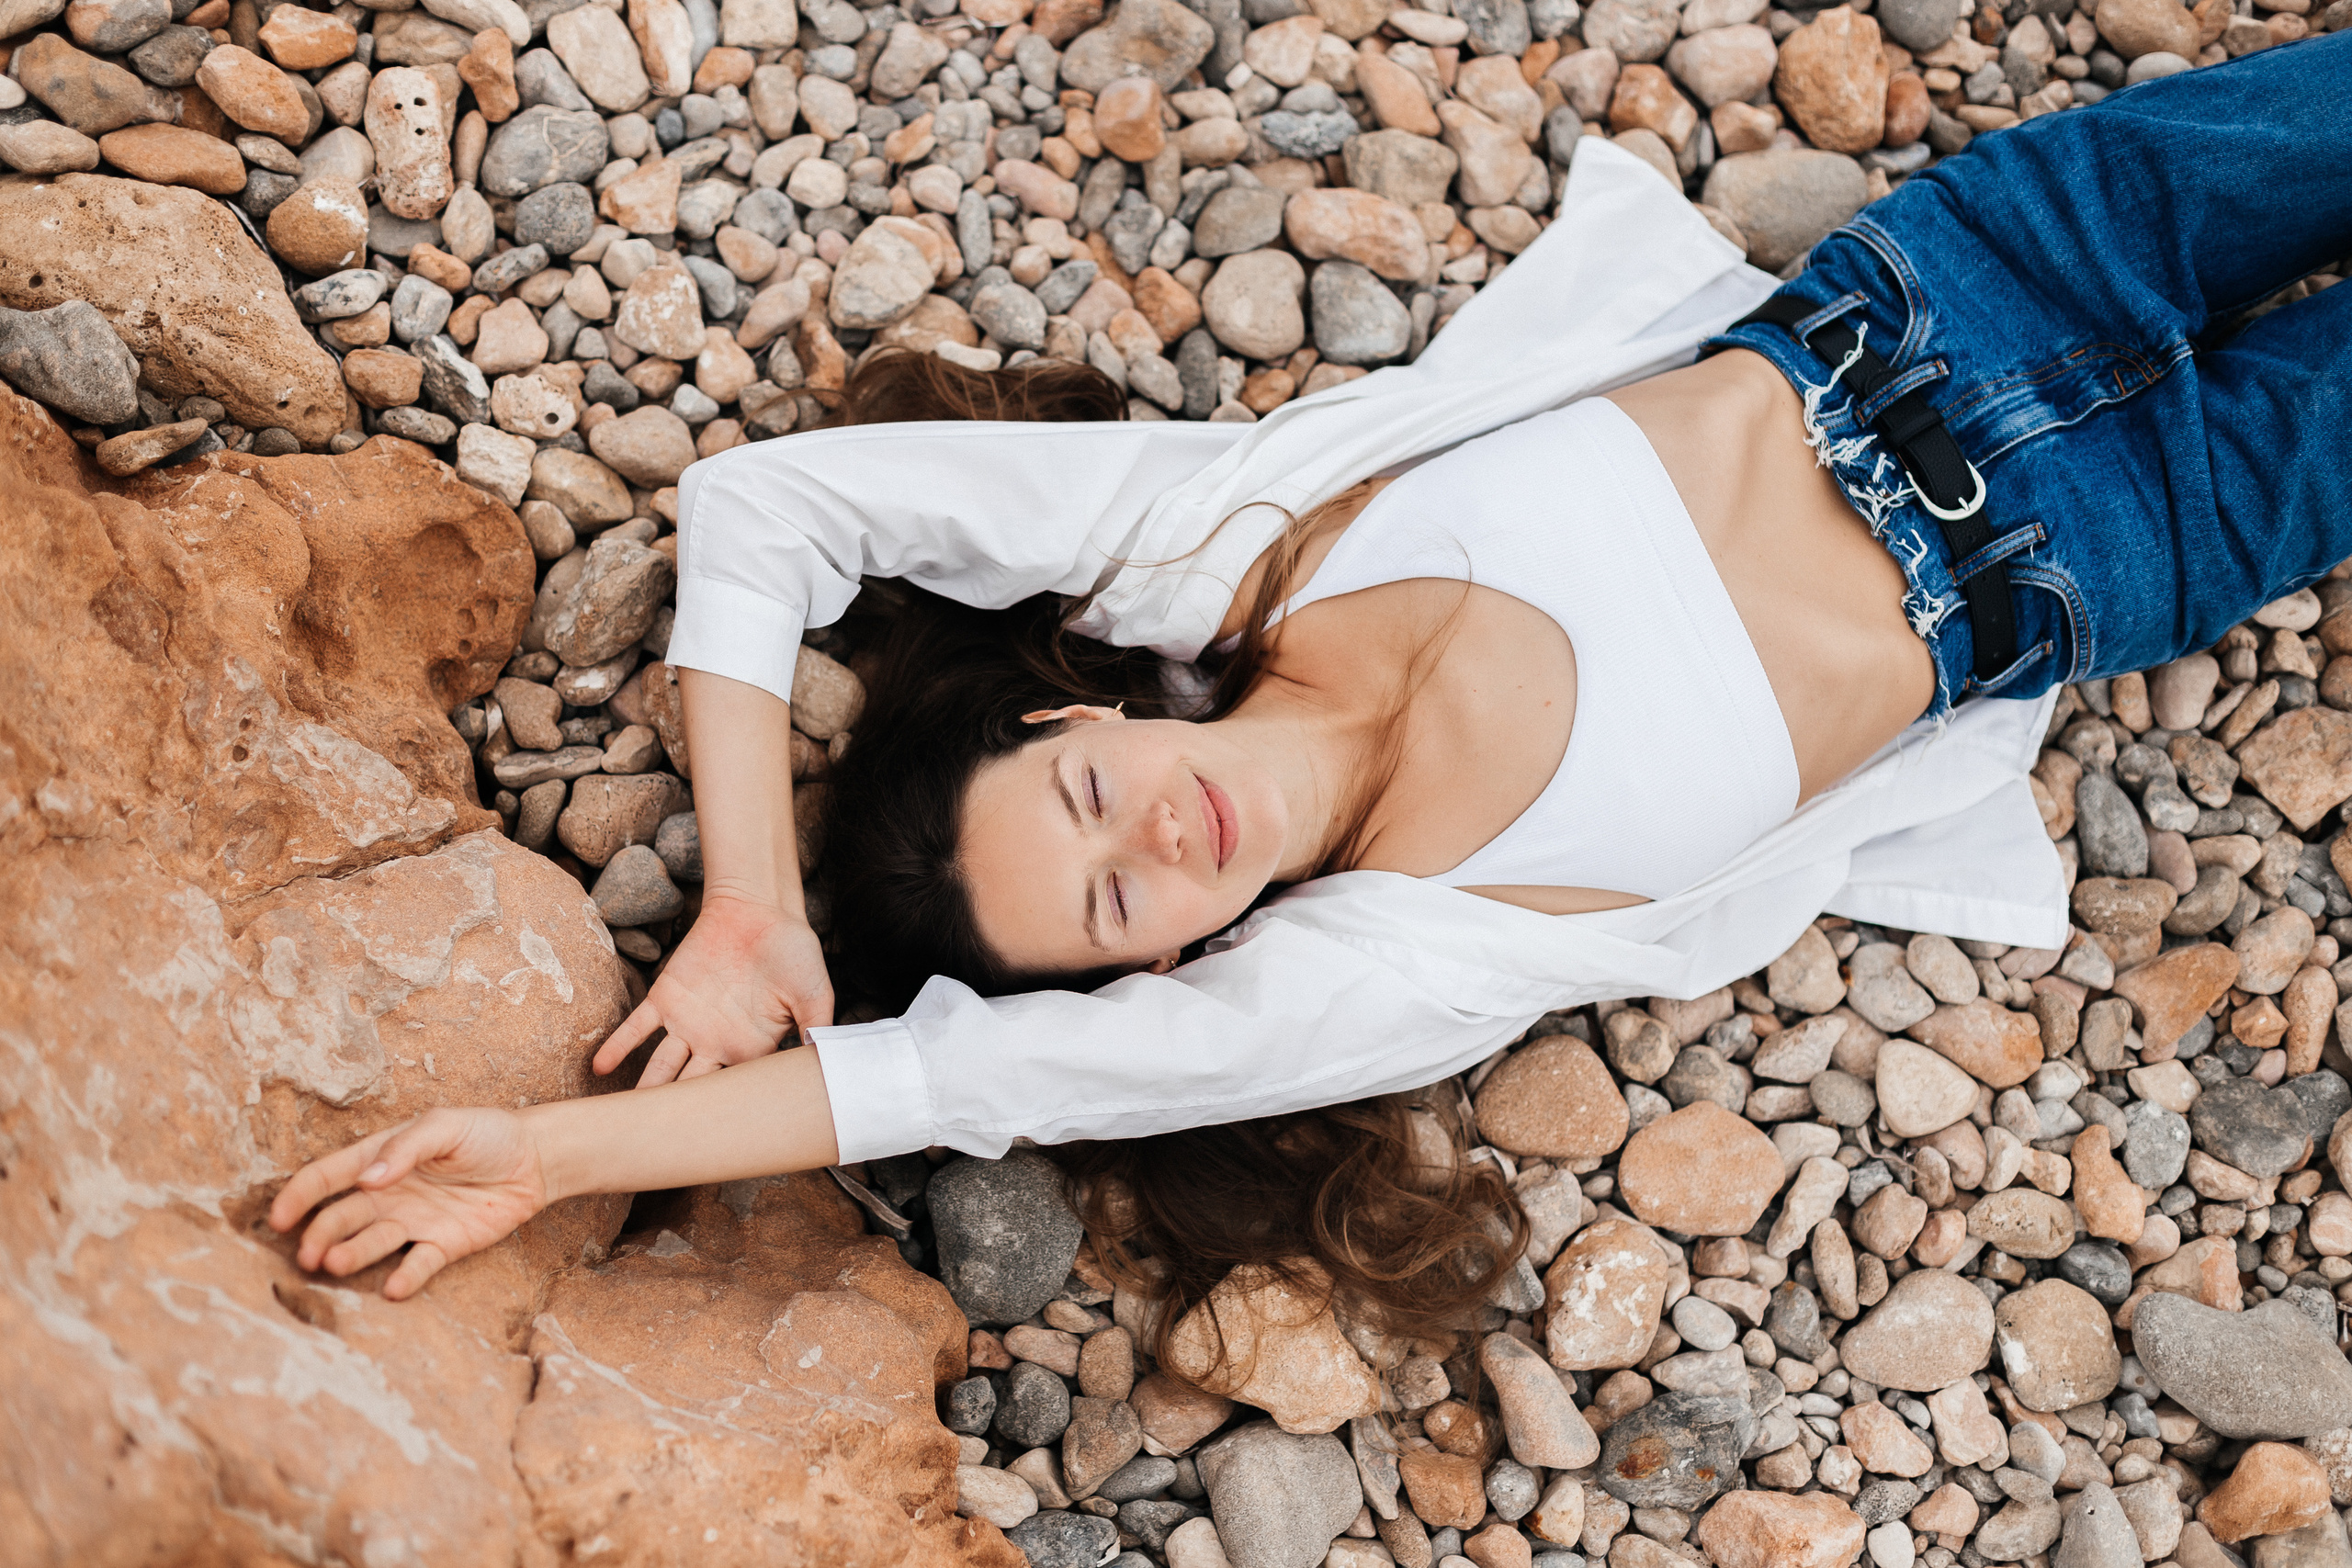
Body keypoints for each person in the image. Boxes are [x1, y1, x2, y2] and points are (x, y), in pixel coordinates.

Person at [272, 33, 2352, 1313]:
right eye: (1116, 909)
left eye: (1081, 799)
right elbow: (944, 1075)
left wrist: (746, 902)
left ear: (1077, 714)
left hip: (1983, 264)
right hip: (2136, 530)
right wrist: (538, 1161)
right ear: (1164, 970)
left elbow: (769, 511)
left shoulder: (1230, 535)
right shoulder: (1392, 960)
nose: (1149, 840)